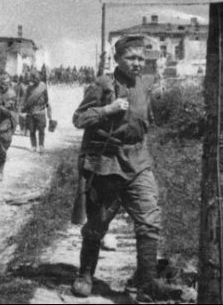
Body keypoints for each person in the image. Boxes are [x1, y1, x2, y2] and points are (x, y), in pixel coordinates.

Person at [70, 35, 165, 301]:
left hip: (138, 162)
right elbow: (78, 118)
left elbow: (146, 119)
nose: (136, 63)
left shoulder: (145, 84)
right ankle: (85, 274)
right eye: (131, 58)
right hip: (107, 163)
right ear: (118, 59)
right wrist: (106, 110)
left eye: (140, 59)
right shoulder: (103, 84)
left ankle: (147, 283)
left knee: (149, 220)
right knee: (98, 223)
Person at [20, 69, 52, 152]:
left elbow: (47, 99)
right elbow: (25, 99)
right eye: (33, 78)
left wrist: (48, 110)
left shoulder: (43, 87)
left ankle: (41, 145)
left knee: (41, 130)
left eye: (37, 78)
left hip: (40, 112)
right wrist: (22, 108)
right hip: (31, 112)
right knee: (32, 130)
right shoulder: (29, 88)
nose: (35, 80)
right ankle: (33, 146)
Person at [0, 72, 18, 182]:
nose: (4, 86)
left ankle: (0, 171)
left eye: (6, 84)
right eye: (2, 84)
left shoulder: (11, 94)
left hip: (5, 124)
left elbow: (7, 112)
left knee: (2, 150)